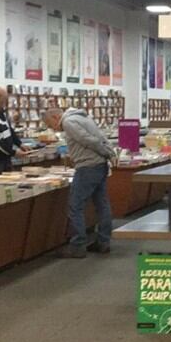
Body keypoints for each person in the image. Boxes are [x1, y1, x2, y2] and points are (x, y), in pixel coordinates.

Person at [43, 107, 115, 258]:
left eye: (51, 125)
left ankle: (77, 245)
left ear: (55, 117)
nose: (53, 129)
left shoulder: (68, 122)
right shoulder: (83, 117)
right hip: (99, 164)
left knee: (75, 206)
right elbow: (99, 136)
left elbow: (88, 140)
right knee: (102, 204)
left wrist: (106, 152)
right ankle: (104, 241)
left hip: (87, 167)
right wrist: (108, 153)